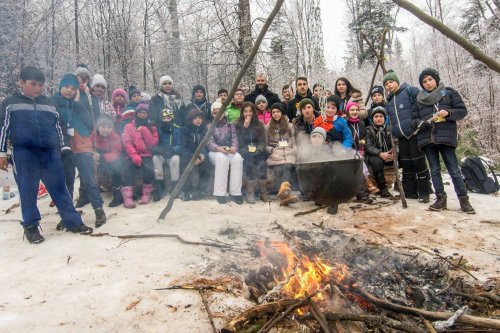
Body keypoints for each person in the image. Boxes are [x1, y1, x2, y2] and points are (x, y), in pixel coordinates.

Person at [0, 66, 93, 243]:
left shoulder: (48, 103)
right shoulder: (10, 102)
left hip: (50, 152)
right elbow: (3, 128)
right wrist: (2, 152)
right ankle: (31, 227)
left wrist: (63, 148)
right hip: (24, 152)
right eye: (33, 84)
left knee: (60, 187)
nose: (37, 88)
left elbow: (58, 127)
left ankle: (72, 222)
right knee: (28, 189)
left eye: (40, 85)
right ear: (22, 83)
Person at [412, 68, 475, 214]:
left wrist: (448, 113)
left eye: (430, 80)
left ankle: (464, 200)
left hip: (446, 138)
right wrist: (421, 123)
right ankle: (440, 199)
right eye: (424, 81)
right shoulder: (419, 100)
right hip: (427, 139)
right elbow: (413, 119)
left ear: (436, 79)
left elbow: (462, 111)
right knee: (434, 170)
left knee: (454, 170)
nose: (428, 83)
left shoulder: (448, 93)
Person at [53, 73, 107, 228]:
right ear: (60, 87)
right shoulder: (53, 102)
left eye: (73, 88)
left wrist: (77, 103)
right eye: (67, 87)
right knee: (67, 181)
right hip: (64, 145)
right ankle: (67, 214)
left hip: (82, 143)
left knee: (89, 179)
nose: (70, 91)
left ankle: (99, 210)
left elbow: (90, 124)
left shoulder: (82, 101)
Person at [383, 69, 432, 202]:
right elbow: (390, 119)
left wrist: (420, 122)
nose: (389, 85)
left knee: (419, 162)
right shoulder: (389, 101)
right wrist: (391, 130)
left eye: (391, 82)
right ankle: (410, 192)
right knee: (407, 164)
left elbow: (422, 105)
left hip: (414, 133)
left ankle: (424, 192)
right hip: (401, 137)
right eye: (386, 84)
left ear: (397, 81)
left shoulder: (410, 91)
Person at [121, 103, 159, 207]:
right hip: (132, 154)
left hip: (146, 154)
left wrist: (144, 130)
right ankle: (128, 197)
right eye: (140, 112)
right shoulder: (129, 126)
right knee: (128, 169)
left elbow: (152, 144)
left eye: (145, 113)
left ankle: (146, 194)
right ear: (136, 113)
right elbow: (126, 142)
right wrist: (134, 155)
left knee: (149, 170)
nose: (142, 115)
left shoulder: (152, 127)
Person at [208, 102, 243, 204]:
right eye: (215, 113)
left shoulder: (230, 125)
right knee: (222, 159)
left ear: (224, 113)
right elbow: (209, 142)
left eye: (220, 112)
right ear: (212, 114)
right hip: (215, 153)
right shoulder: (209, 126)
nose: (218, 114)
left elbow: (235, 139)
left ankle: (235, 192)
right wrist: (218, 148)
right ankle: (220, 193)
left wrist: (234, 148)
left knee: (238, 158)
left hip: (228, 151)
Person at [237, 102, 268, 204]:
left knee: (262, 159)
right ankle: (250, 191)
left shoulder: (259, 125)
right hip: (244, 150)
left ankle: (263, 191)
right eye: (245, 111)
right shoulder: (237, 125)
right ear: (242, 113)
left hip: (257, 149)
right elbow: (239, 142)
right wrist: (245, 128)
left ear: (254, 112)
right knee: (249, 159)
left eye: (250, 111)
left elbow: (262, 141)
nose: (248, 114)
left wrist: (258, 149)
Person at [90, 114, 123, 207]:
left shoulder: (115, 136)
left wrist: (102, 156)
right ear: (98, 127)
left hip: (109, 159)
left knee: (116, 166)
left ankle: (118, 193)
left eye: (109, 127)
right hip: (97, 159)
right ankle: (89, 192)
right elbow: (87, 147)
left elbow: (117, 152)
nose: (106, 129)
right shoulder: (93, 136)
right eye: (103, 127)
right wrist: (92, 155)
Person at [345, 102, 376, 201]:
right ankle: (366, 186)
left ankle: (363, 193)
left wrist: (361, 147)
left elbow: (362, 137)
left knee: (361, 162)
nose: (354, 112)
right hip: (348, 150)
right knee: (359, 165)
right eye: (352, 110)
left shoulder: (361, 123)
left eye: (356, 110)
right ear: (348, 112)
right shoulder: (345, 123)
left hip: (359, 150)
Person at [151, 108, 182, 202]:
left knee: (175, 159)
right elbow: (153, 144)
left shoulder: (177, 129)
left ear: (172, 118)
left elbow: (180, 144)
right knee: (155, 158)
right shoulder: (157, 129)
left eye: (168, 117)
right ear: (161, 119)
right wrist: (159, 150)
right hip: (162, 154)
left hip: (172, 153)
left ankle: (175, 184)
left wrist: (172, 150)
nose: (166, 120)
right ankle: (159, 184)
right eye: (164, 118)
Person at [266, 102, 296, 194]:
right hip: (275, 155)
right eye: (273, 112)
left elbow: (294, 141)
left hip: (288, 153)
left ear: (282, 112)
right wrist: (271, 149)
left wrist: (294, 150)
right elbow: (265, 143)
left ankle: (283, 192)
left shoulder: (290, 126)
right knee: (279, 169)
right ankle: (285, 193)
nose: (275, 114)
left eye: (278, 111)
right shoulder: (267, 127)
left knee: (287, 166)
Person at [180, 108, 210, 201]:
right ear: (191, 119)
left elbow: (206, 145)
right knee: (186, 165)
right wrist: (192, 158)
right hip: (188, 155)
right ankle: (186, 191)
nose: (198, 120)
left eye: (200, 118)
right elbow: (183, 147)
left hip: (200, 155)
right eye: (196, 118)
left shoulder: (204, 130)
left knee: (206, 164)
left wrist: (202, 156)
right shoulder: (185, 130)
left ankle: (201, 189)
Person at [365, 107, 394, 198]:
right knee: (377, 162)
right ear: (372, 118)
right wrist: (380, 154)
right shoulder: (368, 130)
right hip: (374, 155)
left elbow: (396, 143)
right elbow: (368, 146)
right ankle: (383, 188)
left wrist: (394, 153)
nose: (378, 119)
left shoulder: (390, 129)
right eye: (376, 116)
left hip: (388, 154)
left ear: (384, 118)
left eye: (381, 116)